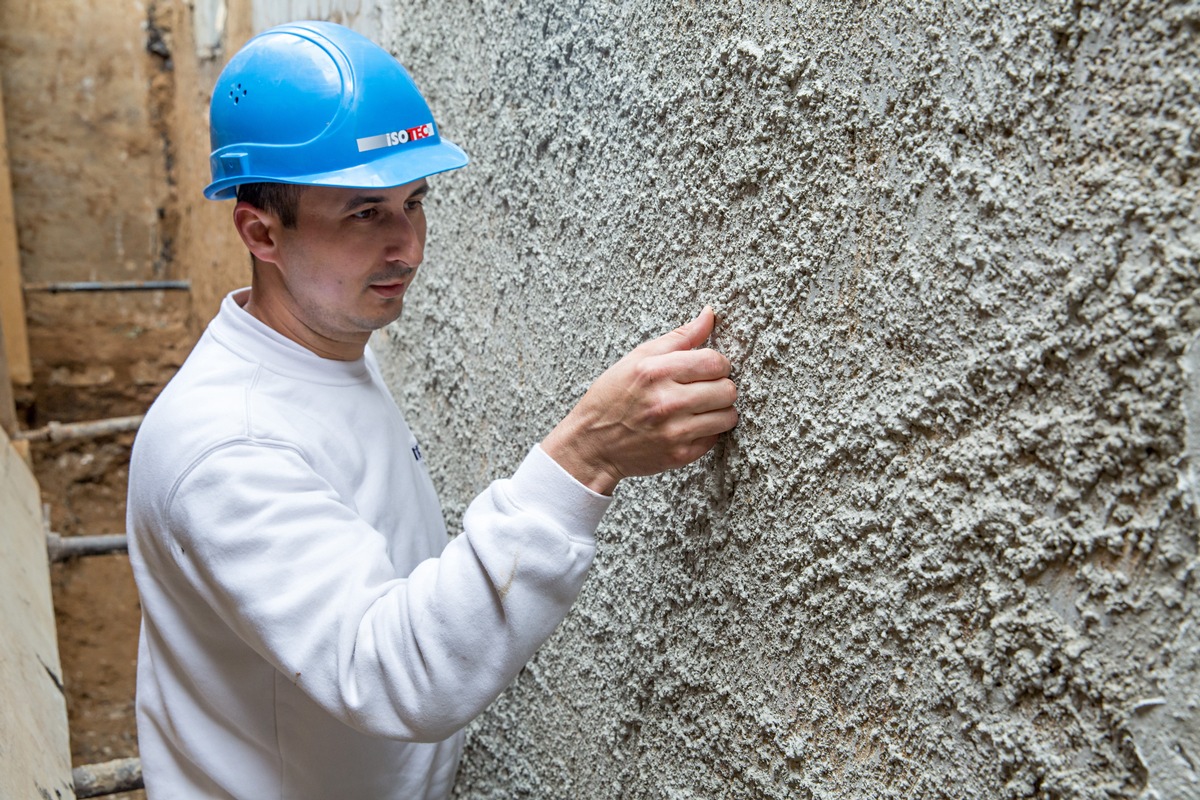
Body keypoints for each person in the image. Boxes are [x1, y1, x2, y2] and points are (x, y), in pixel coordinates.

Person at [126, 20, 737, 799]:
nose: (408, 246)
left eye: (414, 202)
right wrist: (587, 456)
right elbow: (392, 674)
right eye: (363, 213)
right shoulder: (227, 447)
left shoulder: (323, 346)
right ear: (260, 230)